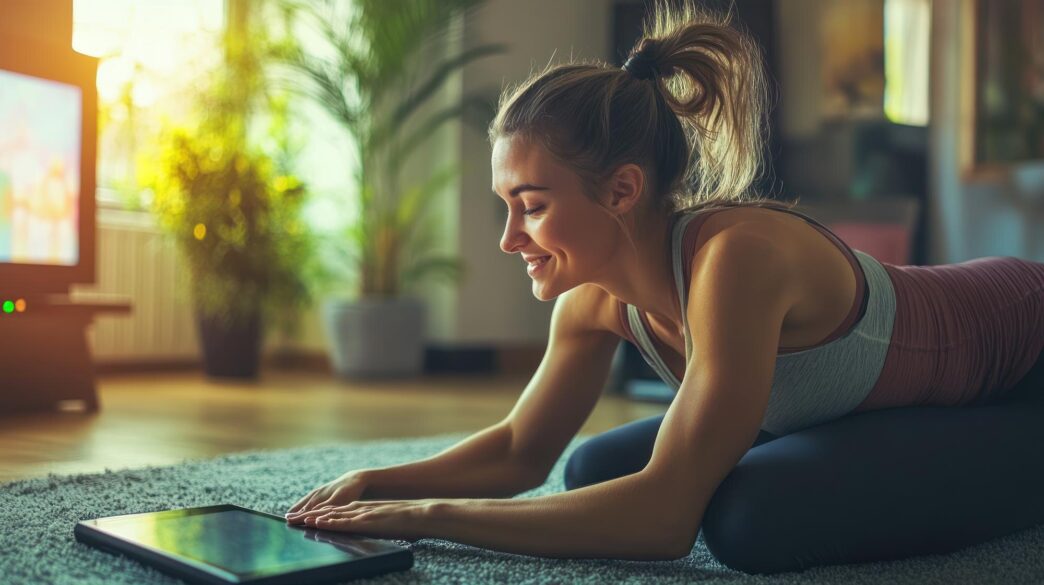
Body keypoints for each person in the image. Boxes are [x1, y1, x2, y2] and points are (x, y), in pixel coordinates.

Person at [285, 1, 1044, 574]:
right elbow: (522, 449)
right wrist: (370, 483)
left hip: (1018, 362)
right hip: (856, 404)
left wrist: (429, 514)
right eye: (506, 207)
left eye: (533, 206)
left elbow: (662, 521)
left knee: (749, 518)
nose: (510, 238)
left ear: (621, 189)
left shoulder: (736, 258)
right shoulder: (592, 300)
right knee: (589, 472)